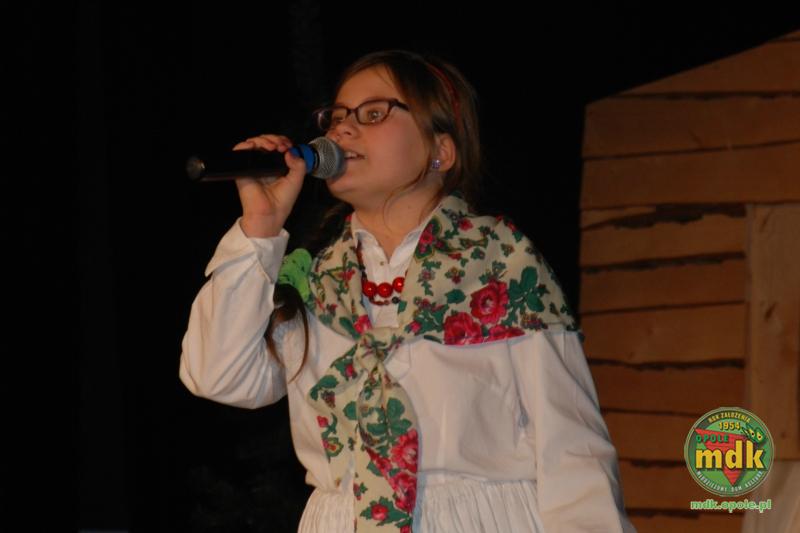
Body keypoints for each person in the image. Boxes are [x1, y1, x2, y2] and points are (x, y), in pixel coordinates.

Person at [180, 49, 635, 533]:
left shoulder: (501, 262)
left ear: (441, 151)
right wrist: (261, 225)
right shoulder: (314, 278)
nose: (342, 130)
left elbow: (572, 450)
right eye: (337, 117)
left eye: (373, 114)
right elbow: (219, 377)